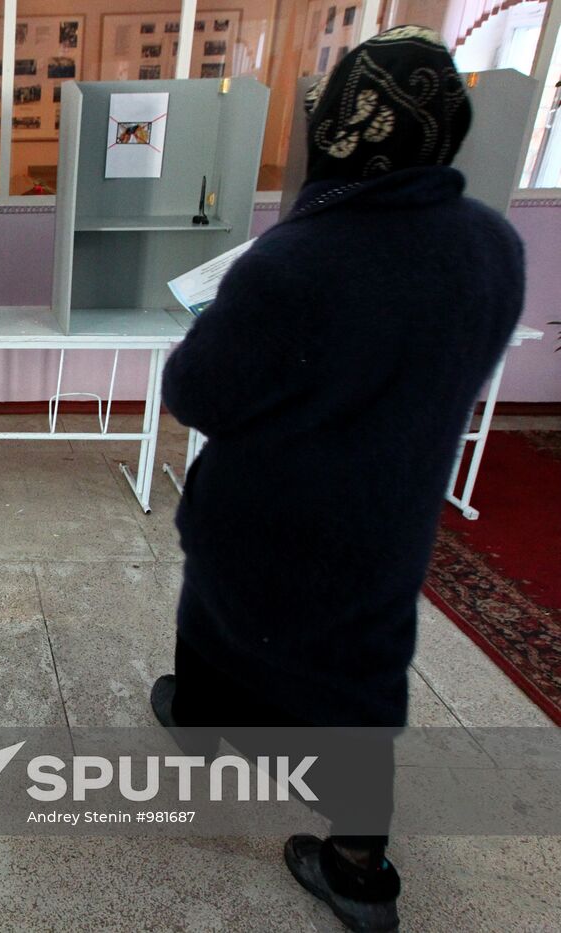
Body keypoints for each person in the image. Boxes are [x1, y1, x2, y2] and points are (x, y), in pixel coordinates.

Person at [150, 26, 525, 933]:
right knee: (364, 681)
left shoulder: (297, 258)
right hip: (391, 514)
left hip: (268, 516)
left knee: (215, 617)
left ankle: (202, 719)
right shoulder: (493, 244)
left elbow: (197, 392)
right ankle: (360, 866)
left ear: (342, 129)